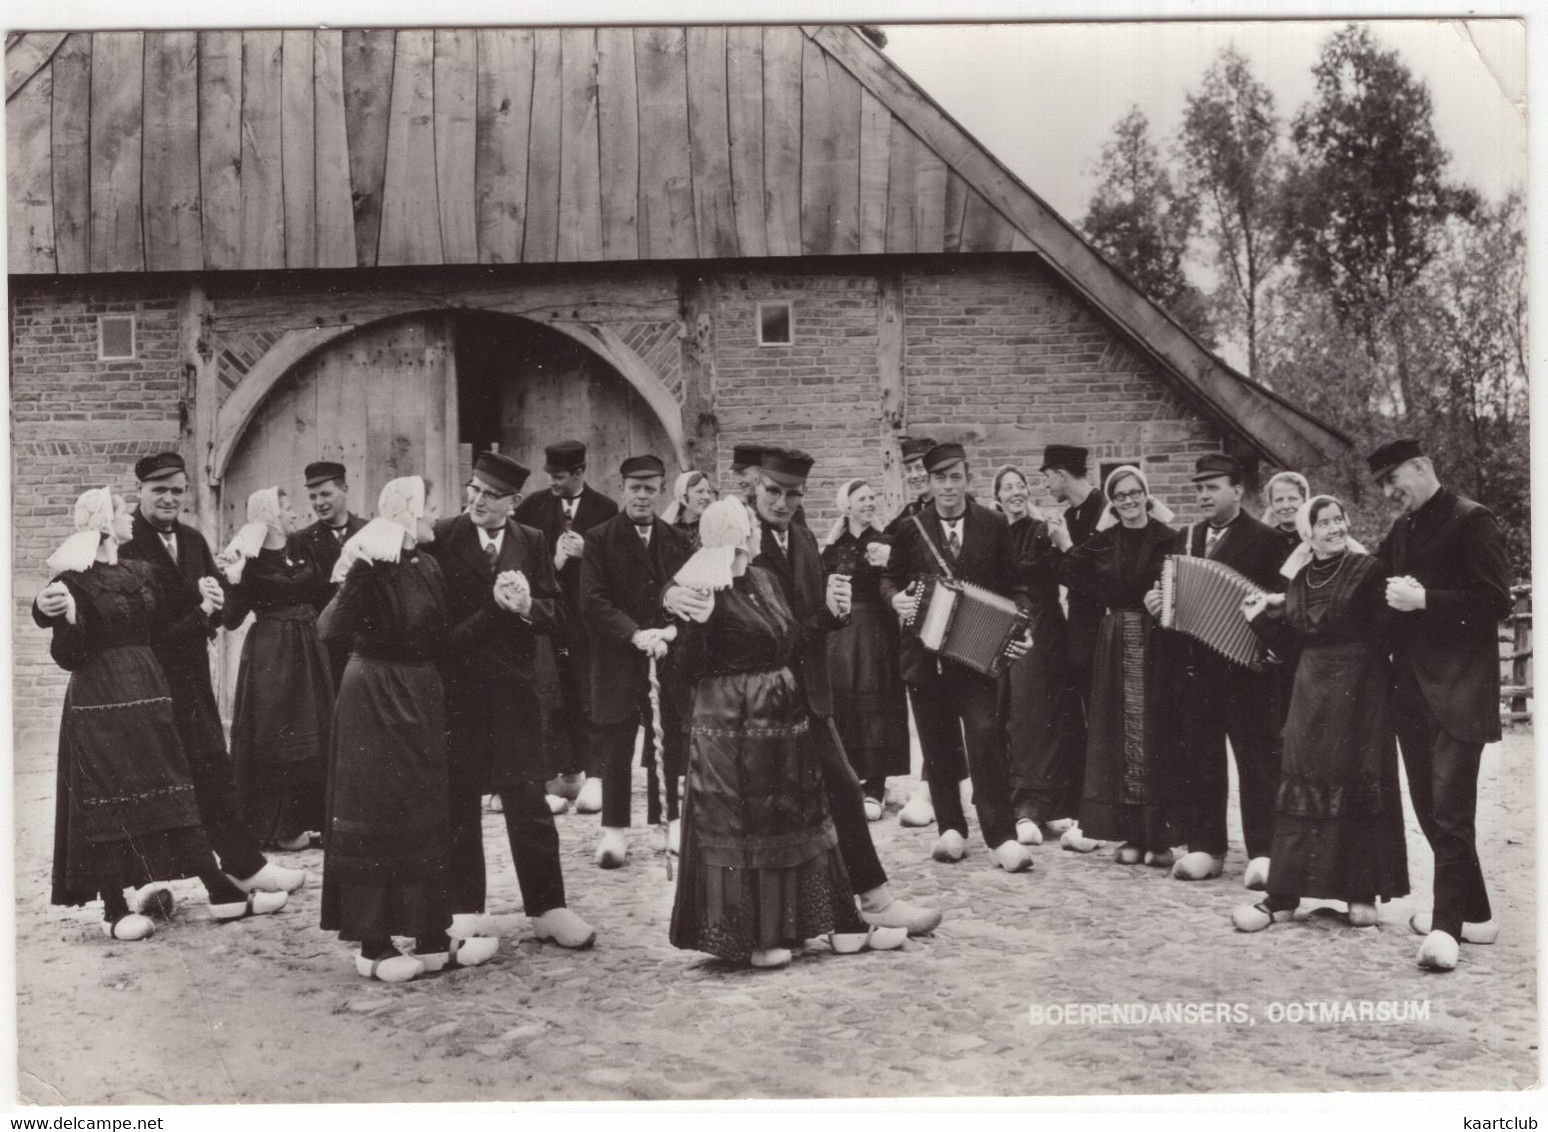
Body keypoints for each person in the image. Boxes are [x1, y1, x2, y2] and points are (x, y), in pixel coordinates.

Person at [665, 448, 943, 937]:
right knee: (783, 815)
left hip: (807, 694)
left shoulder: (804, 538)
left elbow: (798, 626)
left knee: (838, 792)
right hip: (755, 711)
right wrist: (669, 595)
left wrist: (833, 616)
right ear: (755, 488)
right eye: (774, 492)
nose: (783, 502)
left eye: (793, 494)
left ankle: (866, 903)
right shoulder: (733, 539)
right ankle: (810, 918)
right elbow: (691, 579)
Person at [34, 489, 289, 939]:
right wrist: (65, 619)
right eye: (120, 512)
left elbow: (165, 634)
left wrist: (206, 610)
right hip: (100, 699)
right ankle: (114, 908)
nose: (130, 518)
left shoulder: (140, 573)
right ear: (104, 524)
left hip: (150, 690)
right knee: (108, 794)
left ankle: (218, 889)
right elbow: (68, 655)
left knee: (169, 784)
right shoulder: (72, 581)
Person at [319, 476, 499, 982]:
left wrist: (494, 612)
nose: (434, 516)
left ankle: (429, 933)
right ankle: (373, 944)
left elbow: (443, 638)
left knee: (422, 809)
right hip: (374, 699)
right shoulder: (371, 567)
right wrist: (359, 577)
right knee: (377, 809)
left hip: (420, 697)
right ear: (404, 513)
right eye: (429, 507)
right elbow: (330, 629)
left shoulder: (428, 565)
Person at [427, 452, 596, 950]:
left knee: (529, 802)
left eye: (490, 495)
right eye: (473, 489)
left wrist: (527, 608)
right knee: (460, 803)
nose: (477, 500)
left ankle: (548, 908)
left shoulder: (532, 541)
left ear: (513, 502)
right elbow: (438, 628)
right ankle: (464, 908)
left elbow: (557, 611)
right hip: (459, 692)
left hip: (517, 694)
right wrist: (495, 610)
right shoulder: (441, 536)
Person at [118, 452, 304, 897]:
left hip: (192, 682)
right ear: (140, 492)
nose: (168, 498)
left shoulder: (192, 539)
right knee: (152, 779)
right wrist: (201, 611)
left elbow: (218, 612)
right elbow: (144, 628)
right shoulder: (125, 546)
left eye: (177, 490)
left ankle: (245, 865)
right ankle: (146, 882)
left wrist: (227, 585)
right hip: (147, 684)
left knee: (212, 772)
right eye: (158, 489)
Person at [1232, 496, 1408, 932]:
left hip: (1361, 689)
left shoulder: (1369, 571)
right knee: (1302, 782)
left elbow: (1387, 632)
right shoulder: (1300, 579)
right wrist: (1261, 620)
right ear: (1308, 532)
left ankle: (1361, 895)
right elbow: (1294, 647)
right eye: (1323, 522)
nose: (1333, 528)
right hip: (1311, 689)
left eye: (1338, 520)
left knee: (1357, 779)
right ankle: (1285, 896)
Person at [1368, 438, 1512, 971]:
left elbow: (1497, 600)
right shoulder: (1401, 529)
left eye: (1392, 480)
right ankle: (1475, 914)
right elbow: (1371, 583)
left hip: (1459, 691)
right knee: (1431, 813)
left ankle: (1446, 929)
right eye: (1381, 485)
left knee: (1452, 814)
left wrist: (1425, 600)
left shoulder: (1474, 520)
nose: (1388, 493)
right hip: (1410, 693)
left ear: (1422, 467)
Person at [881, 442, 1035, 872]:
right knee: (936, 743)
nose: (948, 487)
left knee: (986, 738)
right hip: (924, 656)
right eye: (940, 479)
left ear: (968, 480)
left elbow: (1016, 586)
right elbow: (890, 578)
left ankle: (1001, 835)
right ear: (928, 484)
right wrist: (896, 601)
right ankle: (951, 829)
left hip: (976, 657)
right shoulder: (912, 528)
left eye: (956, 478)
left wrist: (1022, 630)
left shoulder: (993, 524)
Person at [1149, 453, 1287, 888]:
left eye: (1213, 487)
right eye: (1199, 488)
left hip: (1248, 671)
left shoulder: (1267, 540)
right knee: (1201, 759)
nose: (1204, 495)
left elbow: (1283, 605)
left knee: (1257, 762)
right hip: (1196, 670)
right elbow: (1170, 598)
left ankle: (1264, 850)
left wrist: (1268, 644)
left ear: (1238, 490)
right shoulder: (1183, 539)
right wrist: (1157, 604)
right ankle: (1207, 847)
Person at [1047, 465, 1178, 866]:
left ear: (1146, 495)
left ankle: (1161, 838)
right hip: (1116, 638)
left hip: (1158, 639)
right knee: (1121, 737)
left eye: (1134, 493)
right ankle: (1132, 836)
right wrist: (1097, 591)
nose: (1128, 501)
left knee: (1154, 733)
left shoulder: (1168, 538)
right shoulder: (1104, 541)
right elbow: (1069, 569)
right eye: (1119, 496)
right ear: (1113, 502)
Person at [579, 455, 692, 867]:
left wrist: (671, 630)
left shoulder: (677, 540)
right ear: (622, 489)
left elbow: (688, 592)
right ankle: (614, 832)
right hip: (618, 658)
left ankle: (669, 822)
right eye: (635, 488)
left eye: (650, 488)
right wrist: (633, 632)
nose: (642, 496)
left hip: (664, 655)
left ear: (661, 490)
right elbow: (592, 601)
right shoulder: (599, 538)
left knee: (670, 741)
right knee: (616, 743)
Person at [217, 487, 332, 851]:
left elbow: (321, 593)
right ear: (269, 515)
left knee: (316, 732)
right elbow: (231, 619)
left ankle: (315, 819)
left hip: (310, 648)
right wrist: (228, 578)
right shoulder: (248, 560)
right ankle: (278, 826)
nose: (293, 514)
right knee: (279, 737)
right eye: (286, 508)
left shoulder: (301, 548)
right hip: (273, 655)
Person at [513, 441, 620, 816]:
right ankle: (564, 770)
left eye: (559, 476)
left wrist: (587, 554)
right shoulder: (532, 508)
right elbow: (521, 560)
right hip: (546, 621)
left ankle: (595, 774)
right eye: (549, 476)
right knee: (551, 695)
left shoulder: (605, 509)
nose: (552, 482)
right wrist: (554, 560)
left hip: (587, 624)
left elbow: (617, 566)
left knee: (587, 692)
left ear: (579, 473)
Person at [993, 466, 1084, 848]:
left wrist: (1064, 541)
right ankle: (1020, 806)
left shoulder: (1042, 529)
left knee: (1043, 713)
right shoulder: (993, 533)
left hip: (1044, 627)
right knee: (1010, 712)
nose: (1015, 492)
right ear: (996, 497)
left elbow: (1069, 573)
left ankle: (1048, 805)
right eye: (1007, 488)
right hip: (1003, 626)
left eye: (1021, 485)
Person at [886, 435, 966, 830]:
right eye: (911, 470)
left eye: (922, 469)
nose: (917, 476)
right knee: (932, 717)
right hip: (926, 635)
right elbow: (891, 567)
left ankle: (943, 788)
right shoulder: (907, 518)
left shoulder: (960, 510)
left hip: (966, 631)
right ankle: (931, 788)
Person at [820, 479, 909, 821]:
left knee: (878, 702)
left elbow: (897, 580)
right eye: (863, 499)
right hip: (841, 636)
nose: (870, 503)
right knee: (845, 702)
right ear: (847, 506)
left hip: (877, 632)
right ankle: (849, 779)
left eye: (873, 497)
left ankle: (876, 784)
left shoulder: (886, 541)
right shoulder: (834, 546)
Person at [1039, 444, 1104, 852]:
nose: (1045, 483)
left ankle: (1100, 815)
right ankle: (1086, 809)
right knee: (1080, 719)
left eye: (1047, 475)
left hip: (1105, 629)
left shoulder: (1102, 511)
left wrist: (1065, 546)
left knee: (1101, 720)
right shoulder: (1073, 515)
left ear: (1062, 475)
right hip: (1078, 627)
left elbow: (1097, 577)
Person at [293, 461, 368, 692]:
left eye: (325, 494)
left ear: (344, 489)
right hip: (323, 651)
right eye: (313, 497)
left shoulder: (370, 532)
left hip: (365, 650)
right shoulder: (301, 540)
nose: (319, 503)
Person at [662, 469, 717, 550]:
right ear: (683, 495)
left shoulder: (712, 528)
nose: (707, 497)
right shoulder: (668, 530)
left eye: (708, 492)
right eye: (700, 491)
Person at [1262, 471, 1311, 555]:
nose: (1286, 506)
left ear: (1304, 501)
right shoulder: (1266, 539)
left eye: (1292, 499)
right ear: (1271, 505)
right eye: (1279, 500)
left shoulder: (1315, 537)